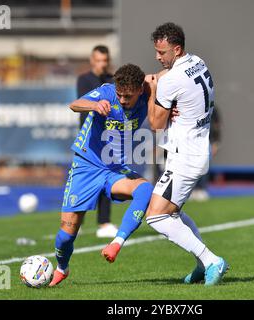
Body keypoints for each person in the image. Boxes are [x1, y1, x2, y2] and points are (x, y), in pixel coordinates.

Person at [103, 22, 228, 286]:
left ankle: (211, 260)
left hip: (185, 156)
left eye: (162, 52)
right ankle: (201, 264)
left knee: (157, 215)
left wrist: (154, 93)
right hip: (195, 148)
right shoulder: (197, 61)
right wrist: (156, 80)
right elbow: (168, 79)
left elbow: (157, 124)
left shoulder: (170, 81)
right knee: (173, 211)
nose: (158, 57)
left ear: (177, 49)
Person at [49, 64, 154, 286]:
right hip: (86, 165)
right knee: (67, 235)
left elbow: (162, 78)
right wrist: (95, 105)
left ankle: (116, 243)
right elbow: (75, 104)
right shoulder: (107, 92)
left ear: (139, 90)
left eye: (128, 96)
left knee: (145, 189)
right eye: (120, 95)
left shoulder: (149, 91)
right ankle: (62, 267)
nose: (123, 100)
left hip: (115, 168)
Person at [76, 45, 117, 238]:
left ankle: (104, 222)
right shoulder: (84, 80)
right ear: (92, 60)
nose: (102, 64)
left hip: (108, 138)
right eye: (99, 60)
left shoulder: (112, 80)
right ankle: (77, 221)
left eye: (105, 60)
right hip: (89, 138)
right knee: (84, 182)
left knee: (106, 179)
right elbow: (82, 104)